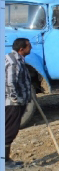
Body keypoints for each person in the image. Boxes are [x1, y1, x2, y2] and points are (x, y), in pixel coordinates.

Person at [5, 38, 32, 169]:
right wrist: (16, 100)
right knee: (9, 131)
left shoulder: (18, 59)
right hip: (12, 103)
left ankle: (7, 159)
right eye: (29, 46)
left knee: (9, 130)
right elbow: (10, 82)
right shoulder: (13, 62)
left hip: (16, 102)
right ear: (22, 49)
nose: (31, 48)